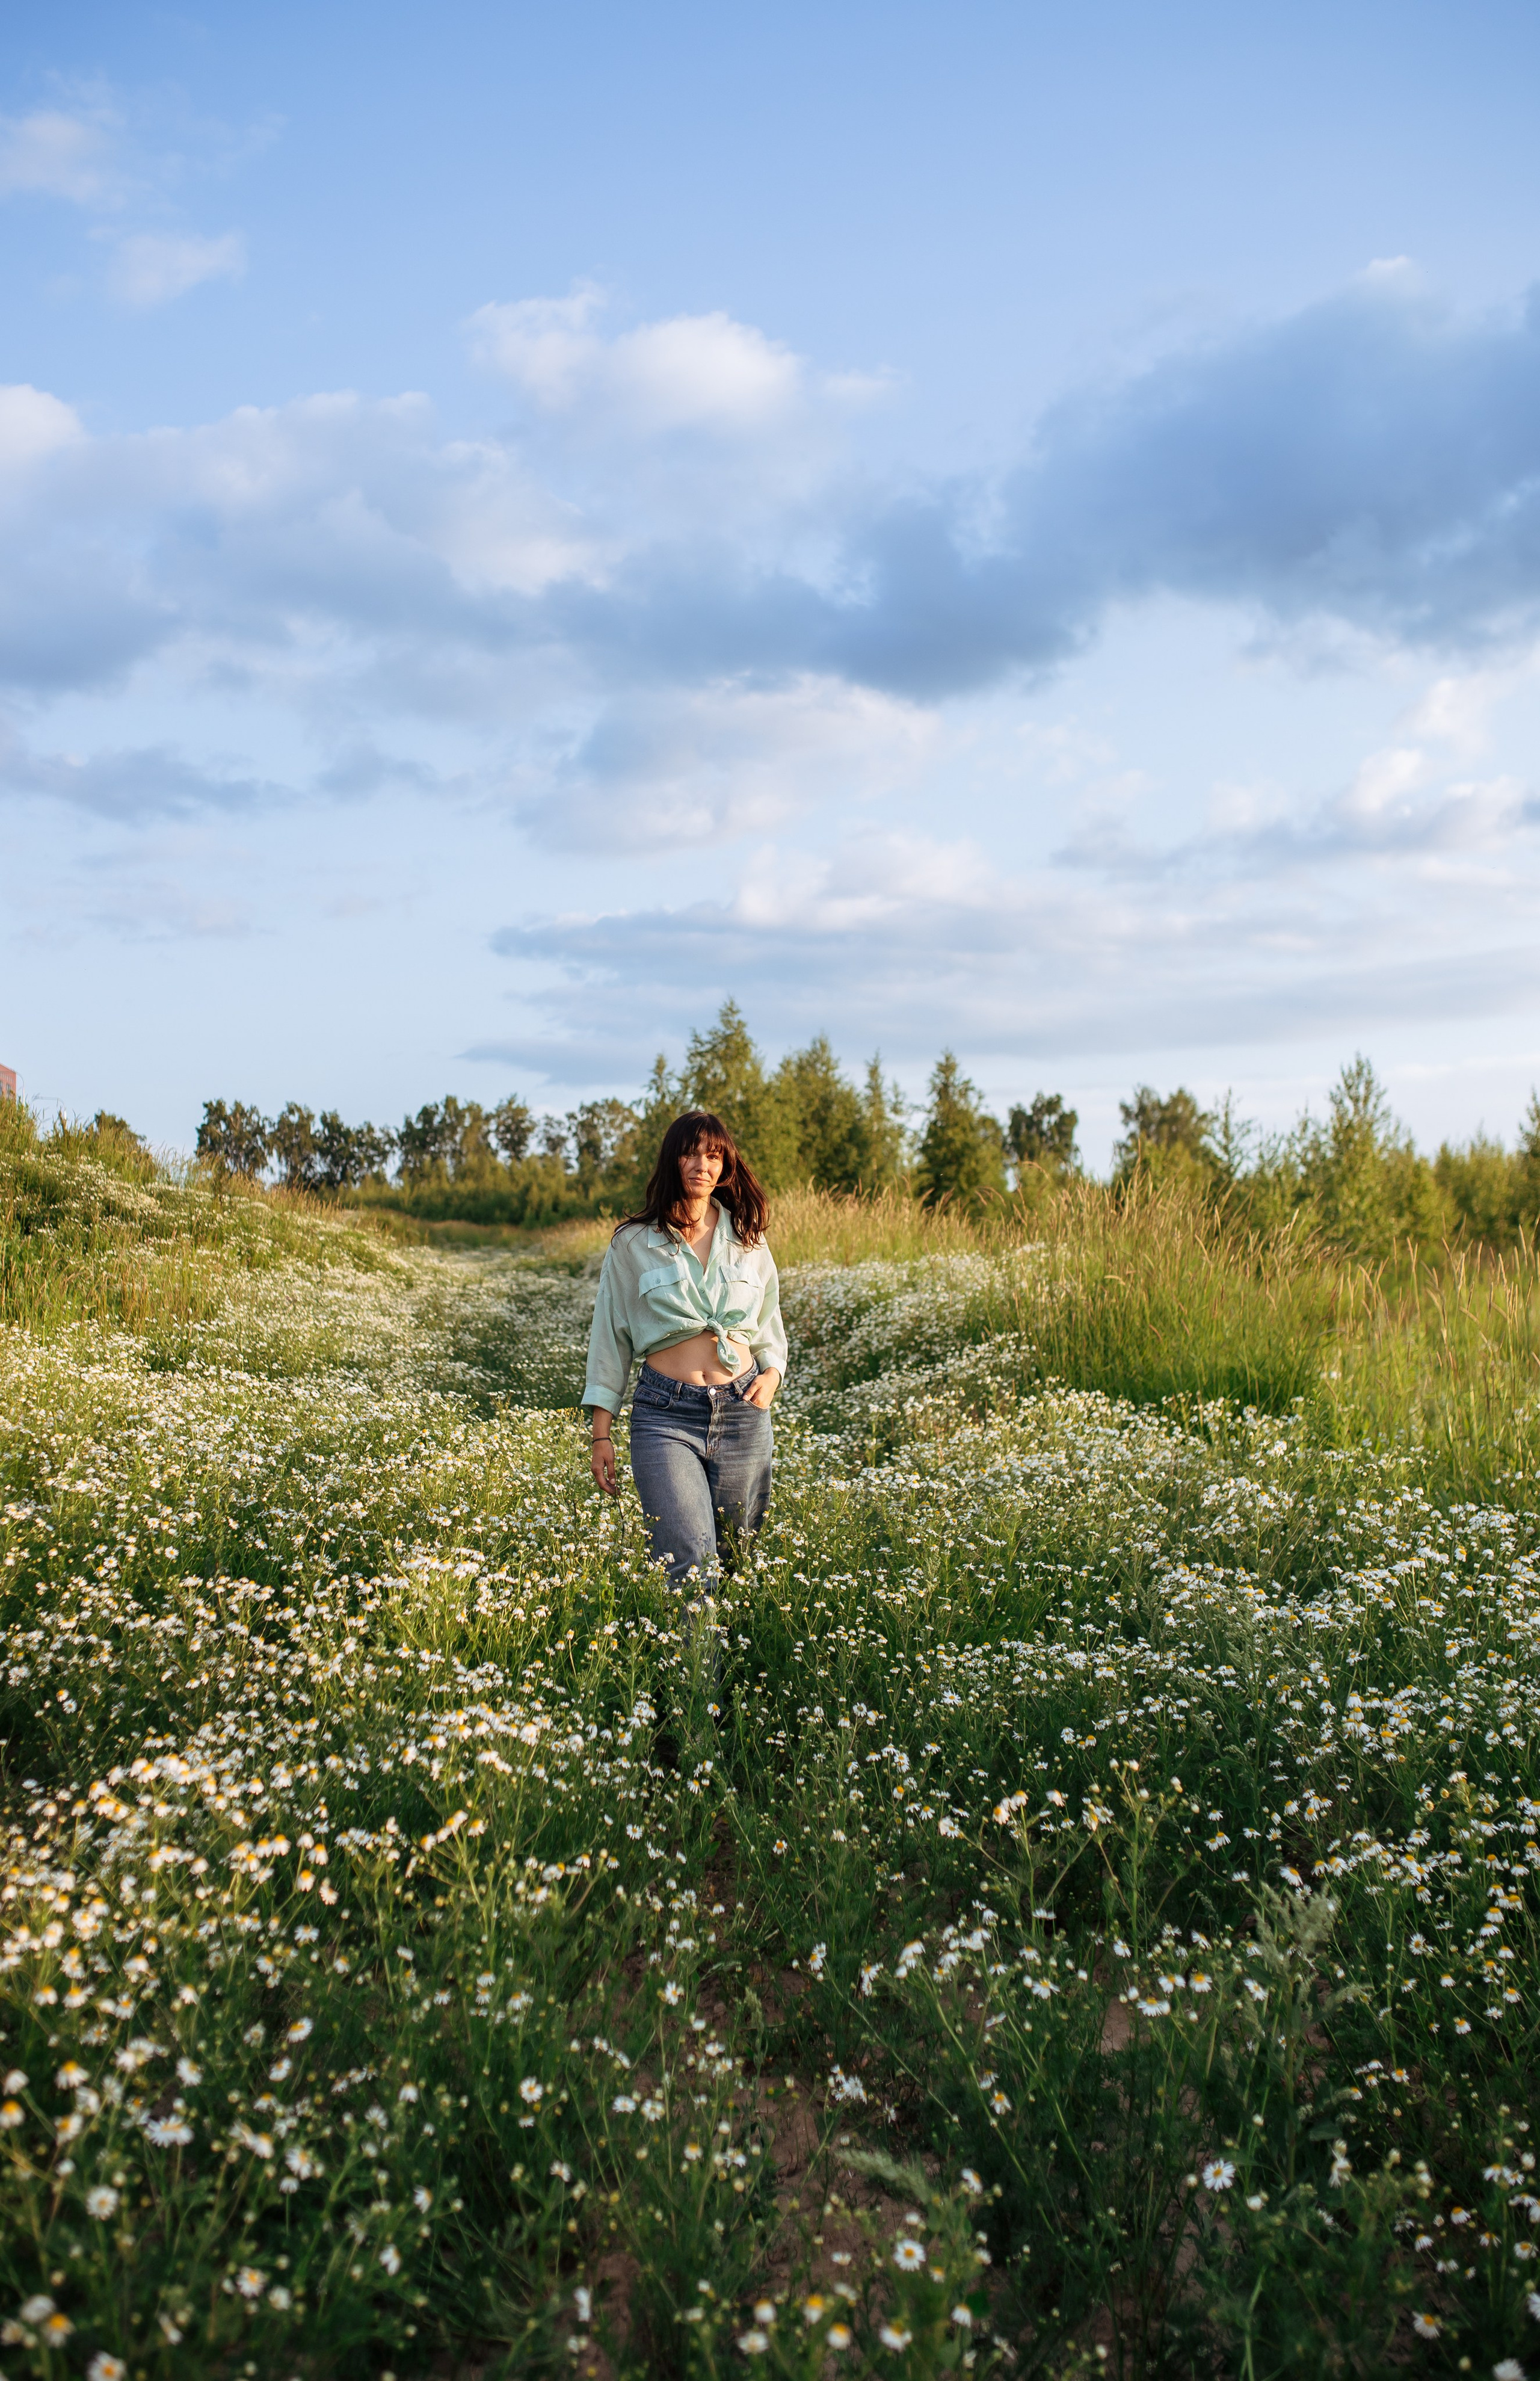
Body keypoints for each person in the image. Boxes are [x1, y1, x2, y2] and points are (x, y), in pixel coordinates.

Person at [583, 1111, 784, 1599]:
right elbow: (610, 1336)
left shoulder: (748, 1236)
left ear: (725, 1165)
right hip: (665, 1416)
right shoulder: (632, 1242)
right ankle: (697, 1653)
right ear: (672, 1160)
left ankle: (731, 1648)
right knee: (690, 1563)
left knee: (736, 1557)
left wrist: (773, 1374)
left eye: (713, 1156)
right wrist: (601, 1433)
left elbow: (769, 1320)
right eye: (691, 1154)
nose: (702, 1165)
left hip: (743, 1410)